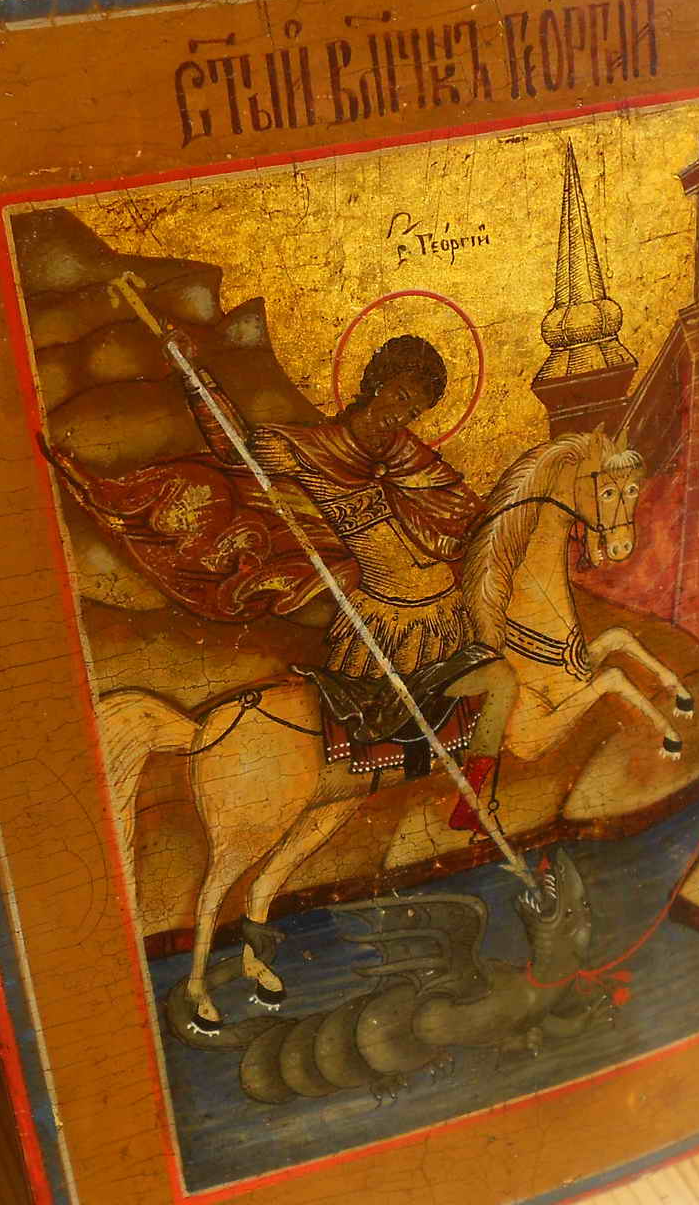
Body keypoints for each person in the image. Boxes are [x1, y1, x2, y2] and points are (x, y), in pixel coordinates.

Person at [49, 331, 516, 831]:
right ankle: (460, 801)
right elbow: (236, 449)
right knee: (487, 686)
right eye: (400, 397)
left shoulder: (408, 454)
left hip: (443, 613)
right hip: (390, 623)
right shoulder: (304, 447)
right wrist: (193, 377)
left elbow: (462, 513)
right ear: (377, 384)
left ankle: (471, 797)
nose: (401, 415)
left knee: (500, 686)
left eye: (414, 410)